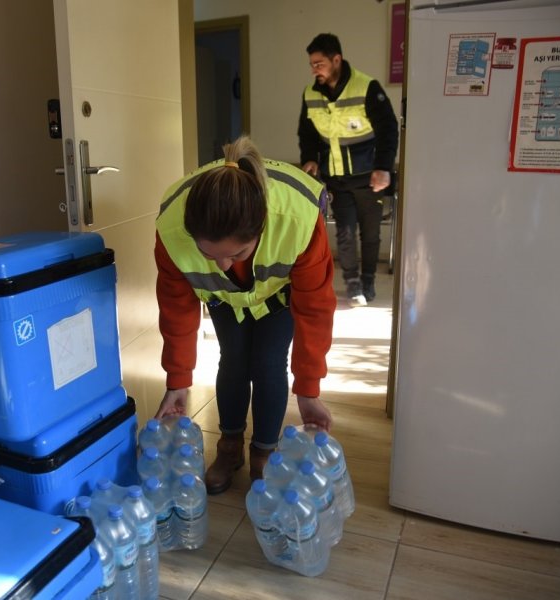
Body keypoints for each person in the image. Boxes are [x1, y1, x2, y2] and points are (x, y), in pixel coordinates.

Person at [153, 136, 336, 495]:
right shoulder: (172, 230)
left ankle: (264, 452)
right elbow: (175, 306)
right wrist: (178, 382)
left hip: (277, 292)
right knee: (233, 360)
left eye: (237, 253)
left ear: (261, 228)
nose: (222, 264)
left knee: (268, 363)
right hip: (224, 298)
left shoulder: (297, 217)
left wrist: (309, 389)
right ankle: (229, 448)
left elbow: (316, 306)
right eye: (210, 255)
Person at [298, 33, 399, 306]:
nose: (314, 69)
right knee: (344, 232)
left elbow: (389, 129)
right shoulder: (311, 94)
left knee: (370, 233)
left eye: (319, 63)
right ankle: (353, 283)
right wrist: (309, 157)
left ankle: (368, 280)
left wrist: (384, 167)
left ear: (336, 60)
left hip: (370, 178)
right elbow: (306, 133)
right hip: (336, 179)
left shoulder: (366, 87)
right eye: (312, 64)